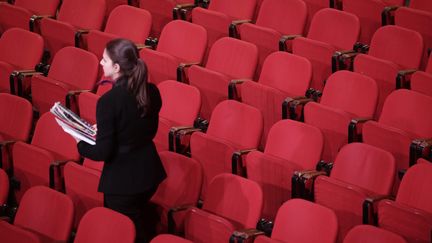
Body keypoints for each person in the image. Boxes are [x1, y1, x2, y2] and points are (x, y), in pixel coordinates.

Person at [76, 38, 166, 243]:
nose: (100, 63)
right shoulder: (151, 91)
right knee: (136, 224)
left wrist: (79, 141)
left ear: (116, 67)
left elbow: (102, 153)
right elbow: (140, 128)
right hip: (148, 174)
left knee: (124, 232)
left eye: (104, 60)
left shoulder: (108, 101)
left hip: (123, 183)